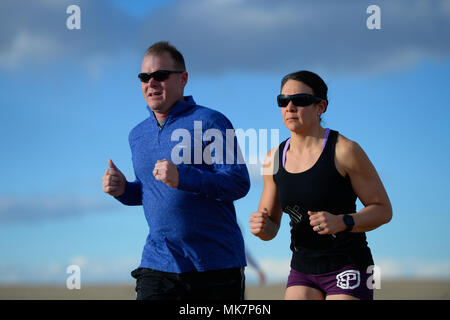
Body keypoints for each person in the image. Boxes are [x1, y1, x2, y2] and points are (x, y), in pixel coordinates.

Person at [102, 41, 250, 300]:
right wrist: (124, 190)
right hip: (159, 263)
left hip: (216, 266)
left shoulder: (210, 121)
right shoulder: (137, 135)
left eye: (160, 75)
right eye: (144, 77)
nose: (152, 83)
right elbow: (150, 192)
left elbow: (238, 182)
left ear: (183, 79)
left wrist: (184, 177)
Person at [249, 70, 392, 300]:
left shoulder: (345, 150)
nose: (290, 107)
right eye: (283, 101)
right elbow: (271, 228)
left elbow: (384, 210)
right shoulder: (273, 159)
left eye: (301, 100)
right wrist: (261, 227)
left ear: (320, 106)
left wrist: (343, 221)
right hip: (302, 268)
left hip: (350, 264)